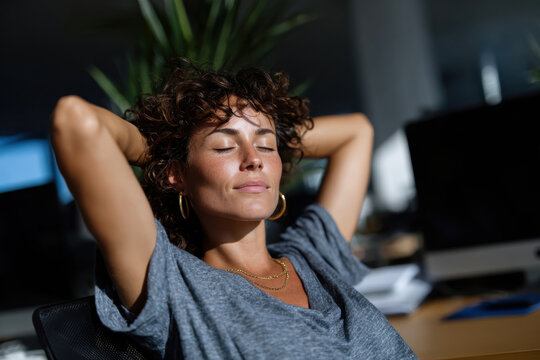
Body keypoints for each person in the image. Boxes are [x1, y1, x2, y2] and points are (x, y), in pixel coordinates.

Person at [51, 61, 417, 359]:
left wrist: (258, 137)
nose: (253, 160)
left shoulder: (314, 257)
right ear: (177, 174)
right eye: (225, 147)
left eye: (267, 147)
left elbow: (356, 131)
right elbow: (77, 121)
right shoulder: (173, 285)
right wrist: (168, 154)